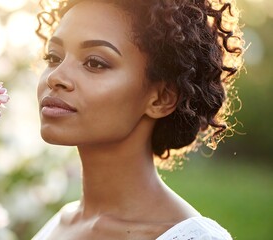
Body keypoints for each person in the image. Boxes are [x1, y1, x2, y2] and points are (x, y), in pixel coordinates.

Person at [33, 0, 244, 239]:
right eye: (53, 57)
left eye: (94, 63)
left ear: (161, 99)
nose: (55, 77)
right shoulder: (58, 226)